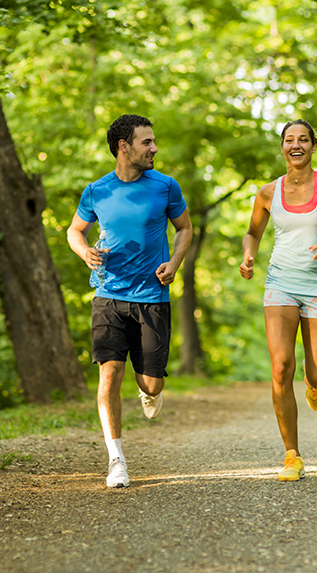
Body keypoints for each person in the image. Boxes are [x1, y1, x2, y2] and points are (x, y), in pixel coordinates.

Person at [67, 114, 193, 488]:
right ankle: (116, 460)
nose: (154, 149)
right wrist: (85, 251)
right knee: (109, 373)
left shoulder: (165, 186)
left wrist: (174, 263)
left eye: (153, 142)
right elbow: (75, 231)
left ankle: (148, 389)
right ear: (124, 147)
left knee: (151, 384)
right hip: (109, 294)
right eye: (146, 143)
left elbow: (185, 228)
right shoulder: (97, 191)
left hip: (152, 296)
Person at [239, 119, 317, 482]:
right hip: (281, 283)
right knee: (280, 368)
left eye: (303, 139)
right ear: (282, 148)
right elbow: (252, 233)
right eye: (289, 140)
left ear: (313, 146)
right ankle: (291, 455)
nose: (296, 145)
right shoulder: (267, 193)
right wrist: (248, 256)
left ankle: (315, 384)